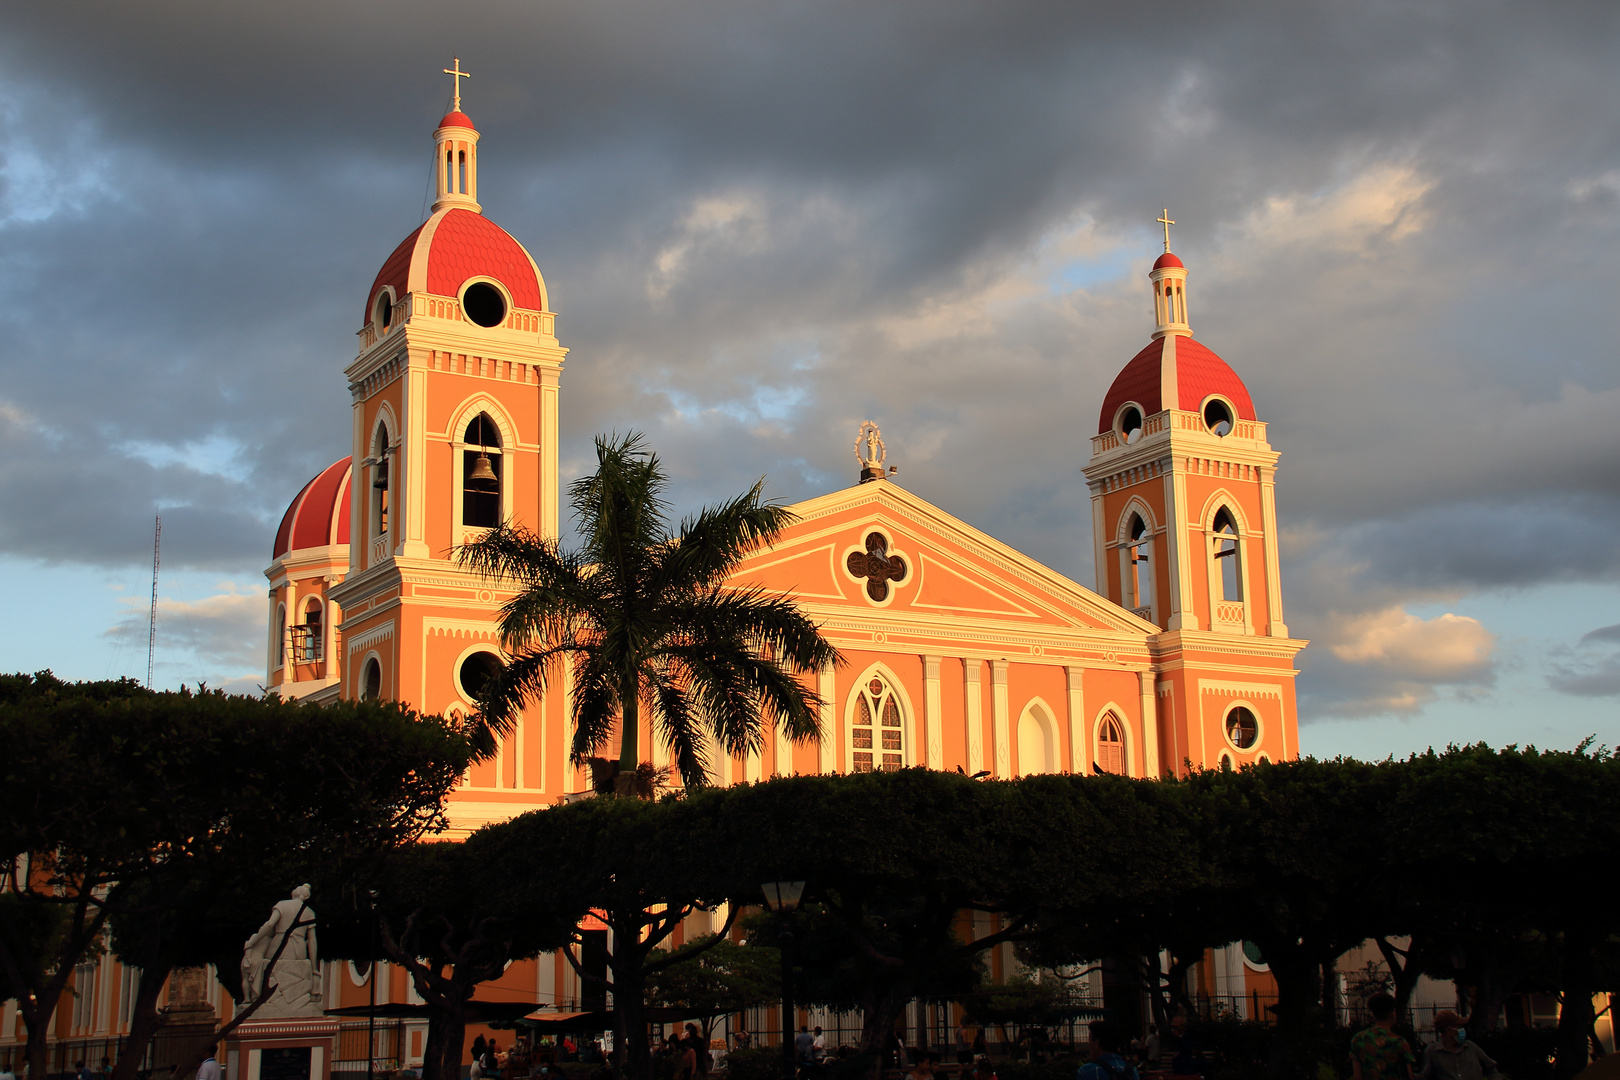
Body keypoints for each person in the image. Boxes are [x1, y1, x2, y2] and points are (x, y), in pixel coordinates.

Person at [1350, 993, 1416, 1080]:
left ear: (1373, 1014)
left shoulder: (1358, 1039)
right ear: (1392, 1013)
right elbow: (1408, 1075)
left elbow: (1357, 1076)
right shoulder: (1399, 1042)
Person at [1417, 1011, 1498, 1080]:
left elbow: (1491, 1068)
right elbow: (1425, 1076)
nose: (1462, 1030)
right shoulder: (1433, 1051)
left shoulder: (1470, 1047)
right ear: (1448, 1030)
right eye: (1459, 1027)